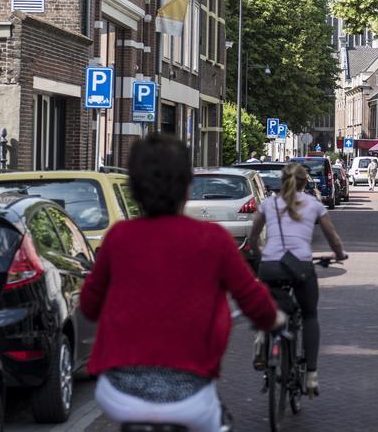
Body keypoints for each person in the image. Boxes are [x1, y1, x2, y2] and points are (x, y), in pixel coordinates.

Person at [81, 134, 284, 431]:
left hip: (118, 391)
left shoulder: (118, 238)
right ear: (187, 188)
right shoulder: (213, 240)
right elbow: (252, 299)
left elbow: (88, 306)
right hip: (190, 394)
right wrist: (274, 319)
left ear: (134, 189)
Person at [246, 162, 347, 397]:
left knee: (269, 304)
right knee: (310, 315)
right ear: (305, 183)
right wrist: (339, 254)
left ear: (282, 181)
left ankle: (263, 336)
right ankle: (311, 374)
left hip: (270, 266)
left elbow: (252, 239)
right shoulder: (314, 204)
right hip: (300, 266)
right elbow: (332, 238)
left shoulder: (268, 204)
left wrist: (262, 256)